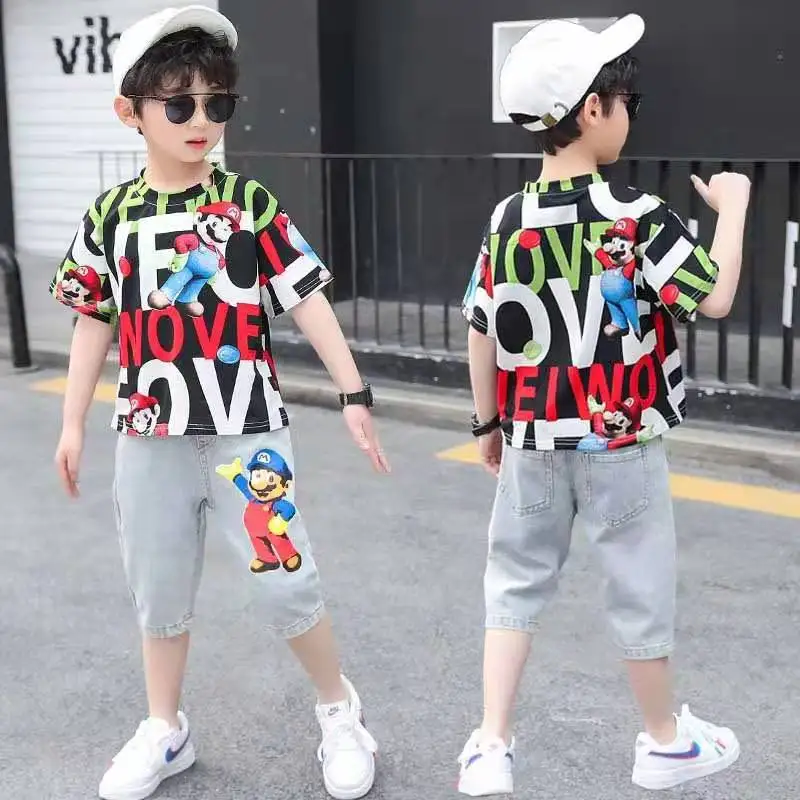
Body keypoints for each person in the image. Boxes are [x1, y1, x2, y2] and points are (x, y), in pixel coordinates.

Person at [50, 7, 390, 800]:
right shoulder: (110, 215)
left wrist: (354, 390)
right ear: (131, 112)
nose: (201, 120)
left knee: (284, 577)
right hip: (149, 434)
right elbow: (93, 318)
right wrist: (71, 423)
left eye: (217, 102)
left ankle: (338, 709)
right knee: (159, 589)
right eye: (180, 104)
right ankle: (164, 728)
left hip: (248, 432)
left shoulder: (249, 203)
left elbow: (304, 294)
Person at [458, 14, 750, 796]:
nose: (629, 113)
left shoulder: (506, 220)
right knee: (637, 582)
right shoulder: (638, 216)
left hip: (531, 436)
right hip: (622, 440)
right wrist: (734, 206)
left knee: (513, 582)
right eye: (627, 101)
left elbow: (482, 329)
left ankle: (491, 745)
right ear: (593, 110)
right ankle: (663, 742)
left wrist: (487, 423)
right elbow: (714, 297)